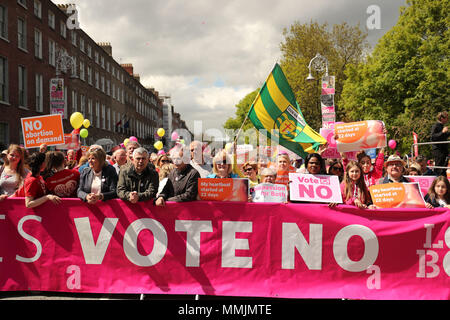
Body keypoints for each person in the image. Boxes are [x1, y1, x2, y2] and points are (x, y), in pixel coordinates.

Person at [430, 111, 449, 176]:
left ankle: (444, 180)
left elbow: (444, 136)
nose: (447, 120)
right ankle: (436, 179)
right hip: (438, 150)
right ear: (442, 118)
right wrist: (442, 132)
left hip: (444, 150)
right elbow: (433, 137)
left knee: (444, 166)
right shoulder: (436, 125)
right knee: (439, 167)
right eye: (446, 118)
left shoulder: (442, 126)